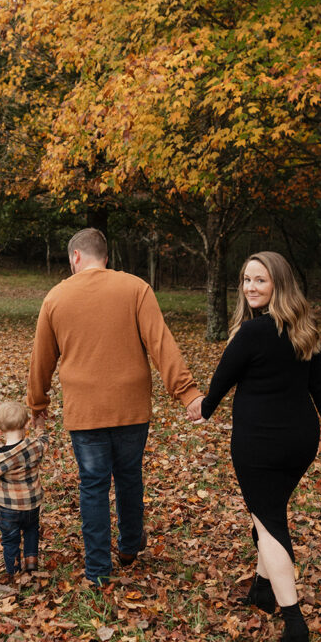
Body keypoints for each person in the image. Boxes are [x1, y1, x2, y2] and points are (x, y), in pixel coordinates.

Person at [187, 252, 321, 642]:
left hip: (259, 444)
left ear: (278, 285)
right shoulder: (306, 329)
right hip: (300, 443)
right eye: (246, 280)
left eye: (260, 281)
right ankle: (262, 591)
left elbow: (219, 384)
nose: (250, 287)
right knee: (268, 513)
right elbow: (318, 387)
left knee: (268, 526)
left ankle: (295, 626)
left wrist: (203, 406)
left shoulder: (250, 334)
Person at [27, 227, 203, 586]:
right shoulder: (136, 288)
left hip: (85, 409)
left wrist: (37, 402)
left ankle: (97, 570)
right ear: (105, 257)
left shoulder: (56, 297)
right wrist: (188, 394)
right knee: (128, 476)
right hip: (131, 406)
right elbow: (161, 343)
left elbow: (41, 358)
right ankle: (128, 545)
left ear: (76, 257)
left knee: (92, 485)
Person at [0, 399, 48, 583]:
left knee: (10, 540)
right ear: (27, 424)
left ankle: (14, 570)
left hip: (8, 508)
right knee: (31, 530)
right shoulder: (35, 447)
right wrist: (40, 425)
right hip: (32, 504)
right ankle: (31, 560)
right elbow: (44, 441)